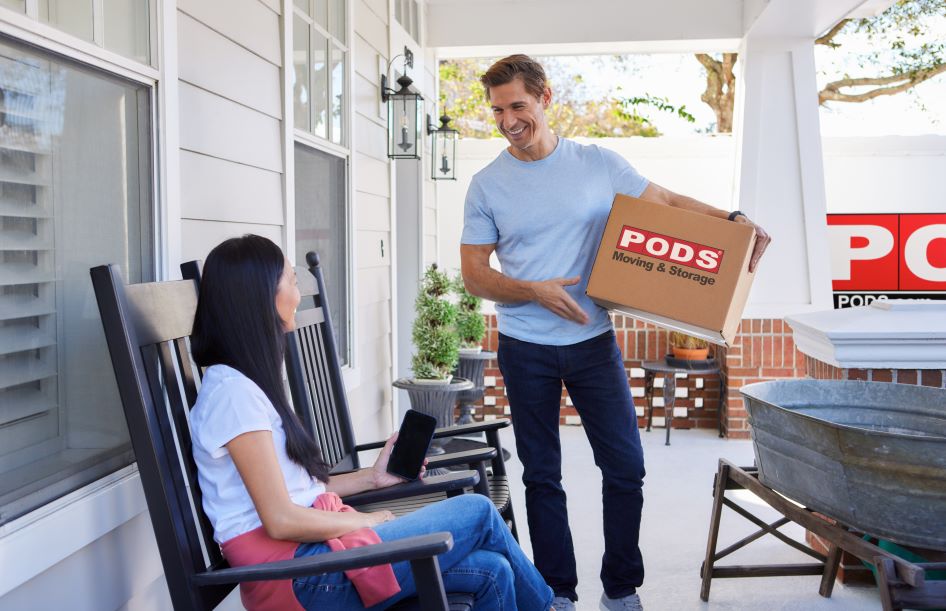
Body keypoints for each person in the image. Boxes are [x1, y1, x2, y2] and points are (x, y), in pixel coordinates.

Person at [459, 55, 771, 611]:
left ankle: (621, 589)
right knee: (542, 475)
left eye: (518, 106)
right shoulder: (487, 186)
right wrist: (534, 290)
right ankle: (558, 591)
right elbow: (475, 274)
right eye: (498, 110)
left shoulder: (597, 163)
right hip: (525, 347)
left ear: (545, 98)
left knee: (626, 468)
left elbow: (667, 203)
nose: (508, 119)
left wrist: (733, 221)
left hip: (593, 343)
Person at [189, 234, 554, 611]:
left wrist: (372, 478)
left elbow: (297, 493)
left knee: (494, 570)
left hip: (314, 561)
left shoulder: (247, 387)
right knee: (477, 510)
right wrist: (367, 521)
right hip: (297, 578)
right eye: (289, 278)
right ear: (259, 296)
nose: (297, 287)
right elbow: (280, 519)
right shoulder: (232, 395)